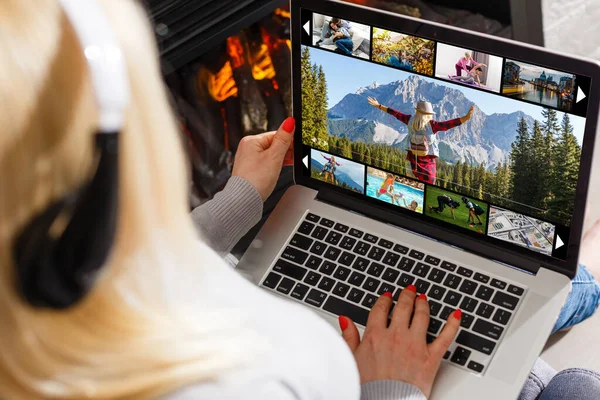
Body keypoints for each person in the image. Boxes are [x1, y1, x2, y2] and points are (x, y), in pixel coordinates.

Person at [3, 1, 600, 399]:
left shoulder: (58, 306)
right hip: (382, 381)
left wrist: (238, 200)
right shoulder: (236, 381)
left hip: (351, 338)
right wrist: (388, 388)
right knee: (569, 370)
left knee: (545, 290)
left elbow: (140, 265)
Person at [367, 97, 474, 184]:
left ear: (417, 111)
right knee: (429, 183)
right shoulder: (432, 125)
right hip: (428, 162)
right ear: (428, 114)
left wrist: (379, 106)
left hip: (412, 158)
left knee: (410, 180)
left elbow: (395, 113)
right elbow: (449, 124)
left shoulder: (409, 120)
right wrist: (465, 118)